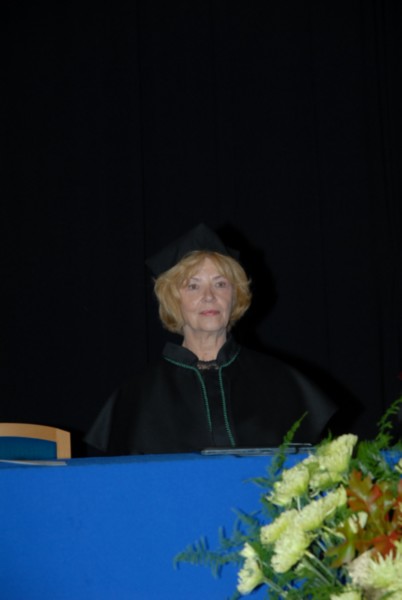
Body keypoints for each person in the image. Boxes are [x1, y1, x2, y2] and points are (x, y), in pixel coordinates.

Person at [85, 223, 339, 455]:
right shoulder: (135, 398)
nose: (209, 296)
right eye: (193, 286)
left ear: (235, 295)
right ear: (173, 299)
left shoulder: (284, 383)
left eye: (220, 284)